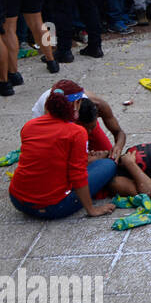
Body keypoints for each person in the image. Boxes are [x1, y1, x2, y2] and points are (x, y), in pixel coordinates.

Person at [9, 85, 116, 219]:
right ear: (76, 104)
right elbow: (78, 175)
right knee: (109, 165)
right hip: (51, 207)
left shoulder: (30, 125)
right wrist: (91, 210)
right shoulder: (77, 132)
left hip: (17, 200)